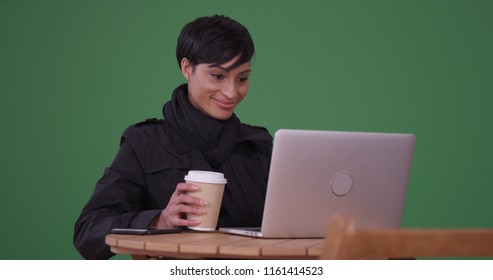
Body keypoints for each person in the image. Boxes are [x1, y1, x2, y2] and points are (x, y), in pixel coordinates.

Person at [73, 15, 273, 259]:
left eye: (242, 78)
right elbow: (88, 232)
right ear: (187, 68)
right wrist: (160, 219)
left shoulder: (258, 145)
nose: (232, 92)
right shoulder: (145, 143)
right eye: (218, 76)